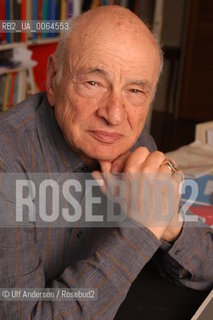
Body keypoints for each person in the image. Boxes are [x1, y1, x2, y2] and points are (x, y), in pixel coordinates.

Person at [0, 5, 212, 320]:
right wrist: (143, 227)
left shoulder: (131, 140)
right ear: (54, 79)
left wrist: (169, 224)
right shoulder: (7, 162)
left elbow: (207, 268)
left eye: (136, 90)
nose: (114, 114)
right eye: (94, 83)